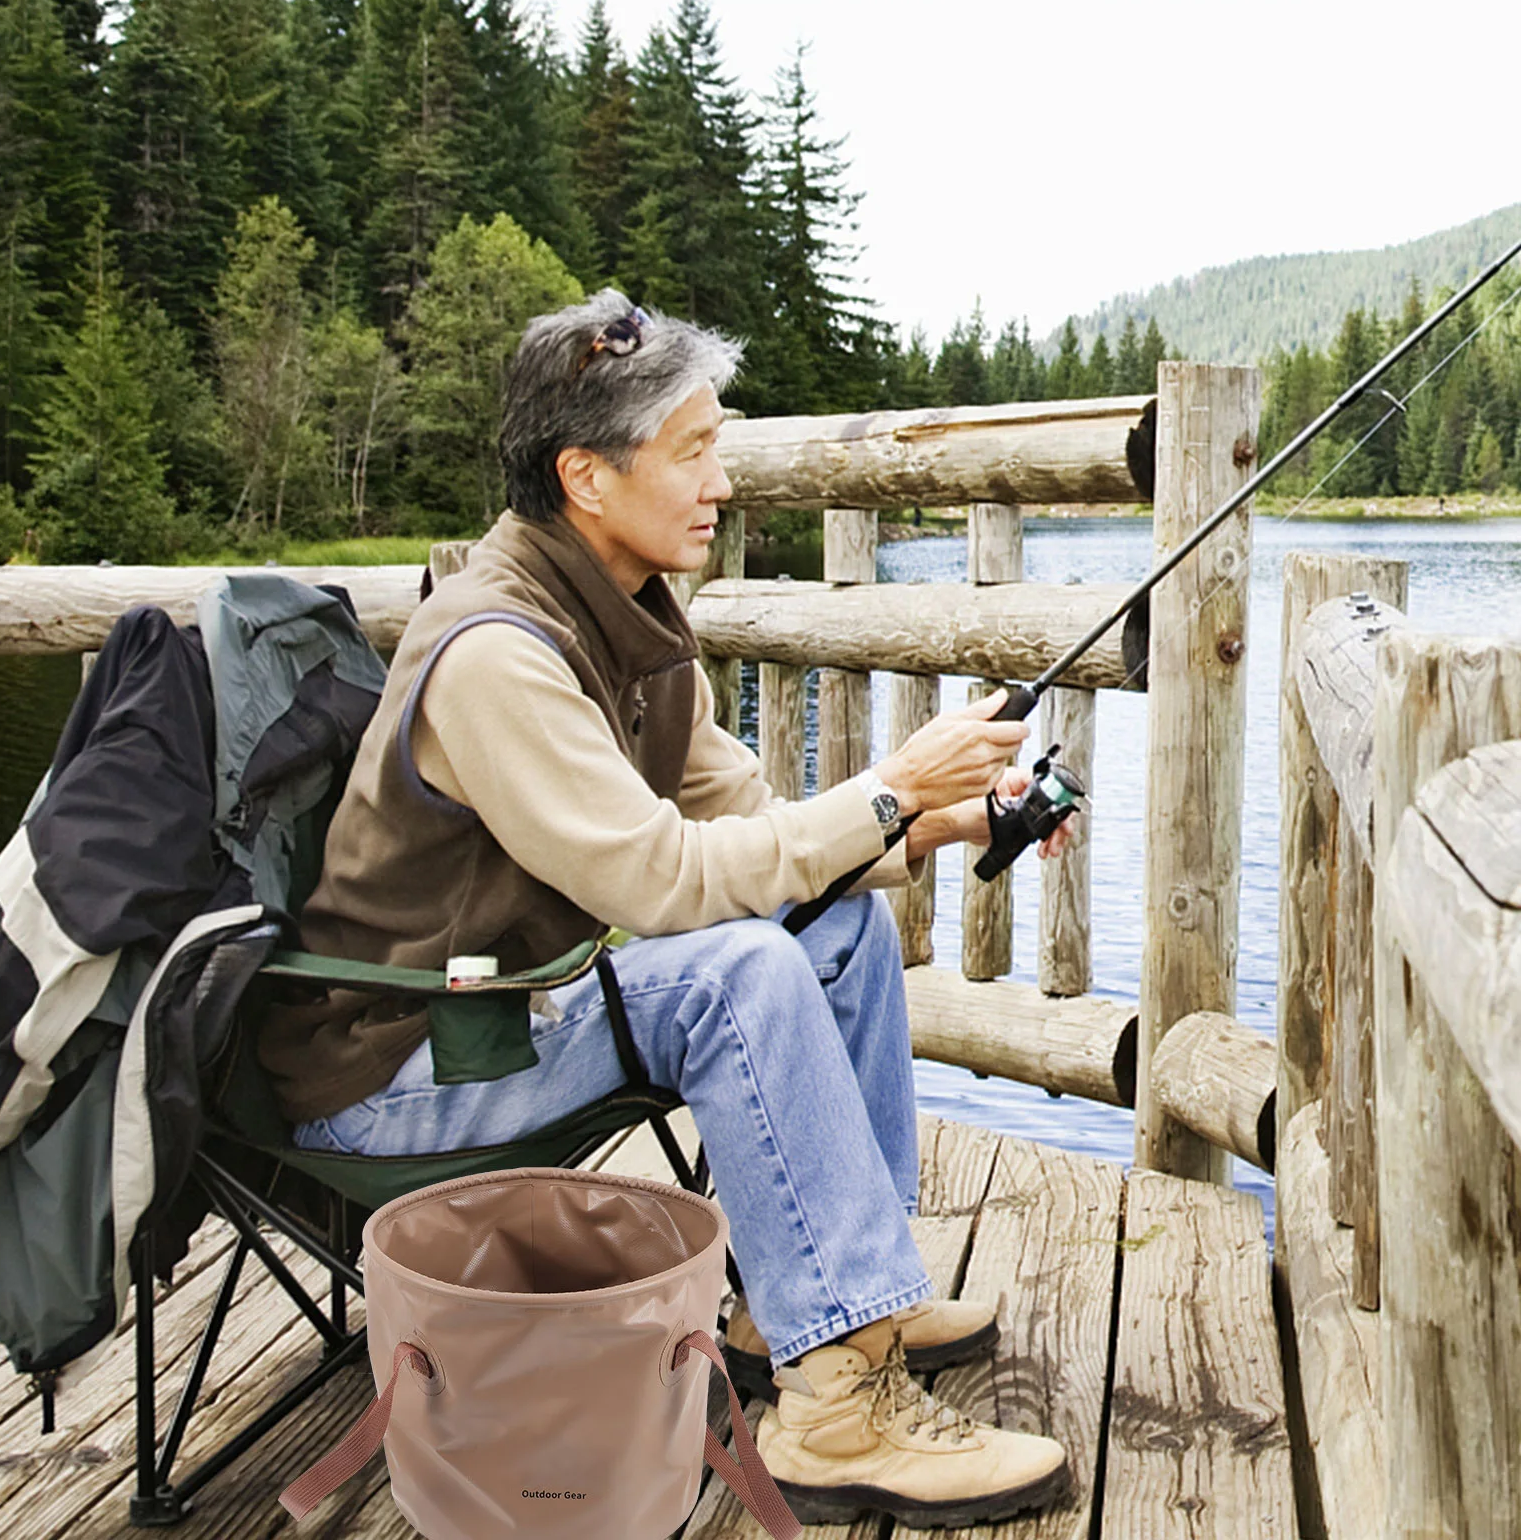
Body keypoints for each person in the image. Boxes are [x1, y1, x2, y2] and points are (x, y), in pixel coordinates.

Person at [257, 290, 1073, 1529]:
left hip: (503, 1014)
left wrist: (936, 822)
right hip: (396, 1063)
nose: (720, 481)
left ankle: (831, 1302)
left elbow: (756, 834)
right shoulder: (496, 652)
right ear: (585, 475)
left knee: (832, 928)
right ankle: (837, 1408)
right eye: (692, 451)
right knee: (735, 970)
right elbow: (663, 883)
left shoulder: (627, 616)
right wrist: (891, 785)